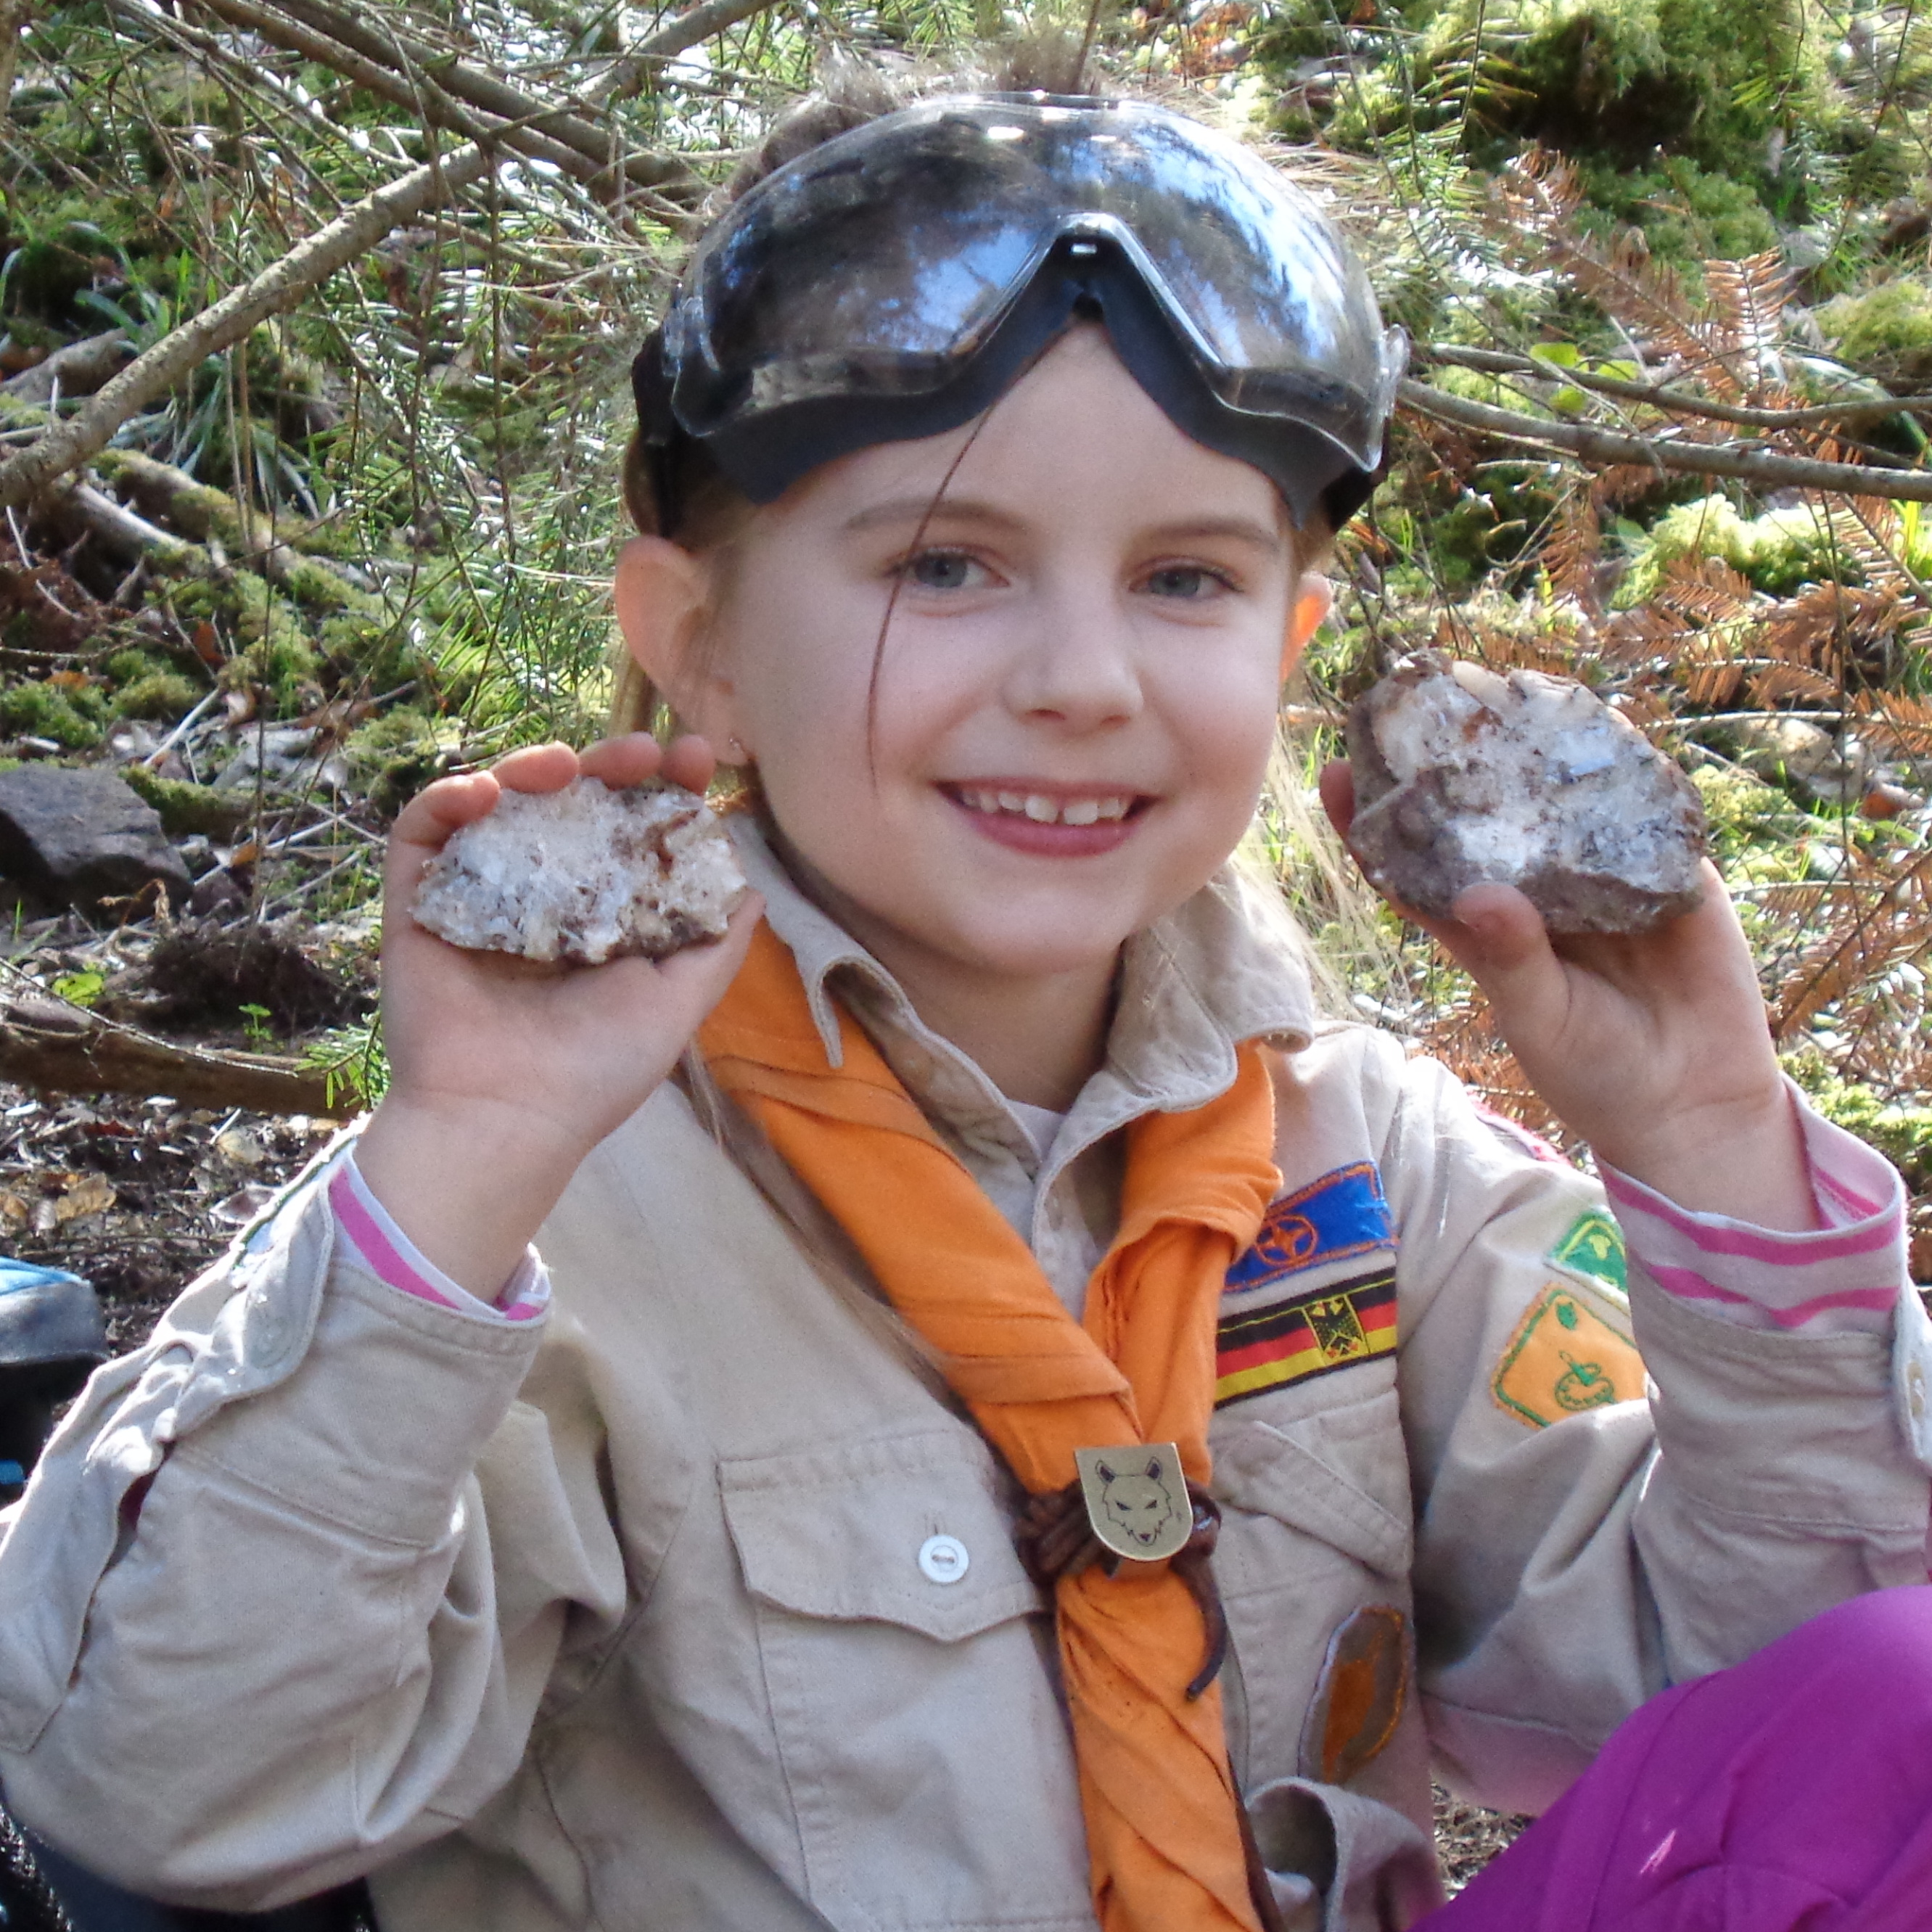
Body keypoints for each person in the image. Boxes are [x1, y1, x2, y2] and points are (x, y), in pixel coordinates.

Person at [1, 76, 1930, 1932]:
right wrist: (455, 1171)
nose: (1087, 678)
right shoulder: (540, 1219)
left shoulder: (1374, 1166)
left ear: (1291, 645)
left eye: (1185, 577)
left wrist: (1710, 1158)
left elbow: (1761, 1688)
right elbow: (161, 1793)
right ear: (701, 648)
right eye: (947, 563)